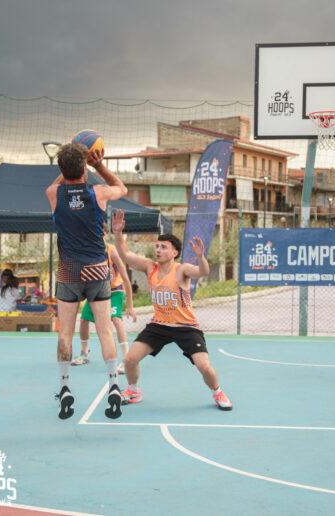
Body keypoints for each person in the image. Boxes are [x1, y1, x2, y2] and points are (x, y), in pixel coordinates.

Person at [112, 209, 233, 411]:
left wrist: (200, 257)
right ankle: (133, 391)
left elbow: (202, 271)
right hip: (159, 325)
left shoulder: (182, 269)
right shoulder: (150, 267)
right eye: (157, 246)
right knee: (130, 359)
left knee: (204, 366)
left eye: (163, 247)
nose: (158, 250)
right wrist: (117, 233)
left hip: (186, 327)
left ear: (174, 253)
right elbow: (126, 254)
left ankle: (217, 391)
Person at [46, 143, 127, 420]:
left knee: (65, 334)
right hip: (97, 271)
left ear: (62, 169)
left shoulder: (53, 193)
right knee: (104, 330)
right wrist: (98, 165)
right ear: (84, 170)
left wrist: (70, 166)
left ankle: (64, 388)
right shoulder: (98, 192)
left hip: (69, 272)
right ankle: (113, 384)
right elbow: (122, 188)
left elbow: (59, 181)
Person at [72, 222, 137, 372]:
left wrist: (131, 306)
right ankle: (85, 353)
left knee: (116, 319)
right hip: (97, 291)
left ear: (106, 236)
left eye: (101, 234)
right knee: (83, 320)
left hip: (115, 291)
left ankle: (126, 359)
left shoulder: (112, 251)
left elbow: (126, 278)